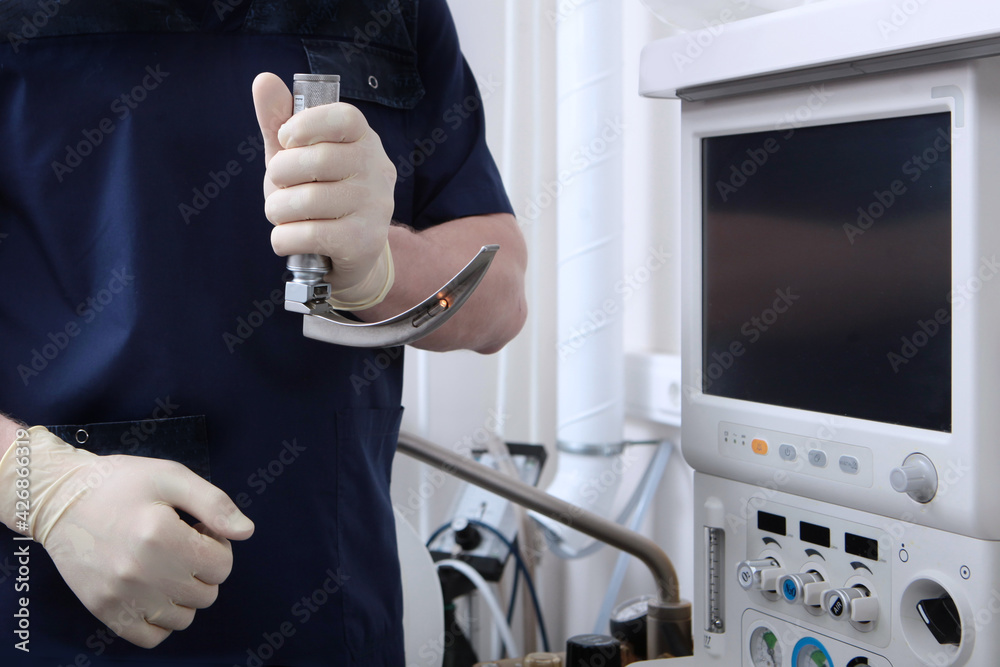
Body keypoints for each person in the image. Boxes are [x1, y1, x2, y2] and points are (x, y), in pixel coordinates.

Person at [0, 1, 527, 665]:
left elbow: (500, 297)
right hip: (46, 619)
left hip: (331, 618)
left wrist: (380, 265)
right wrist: (40, 487)